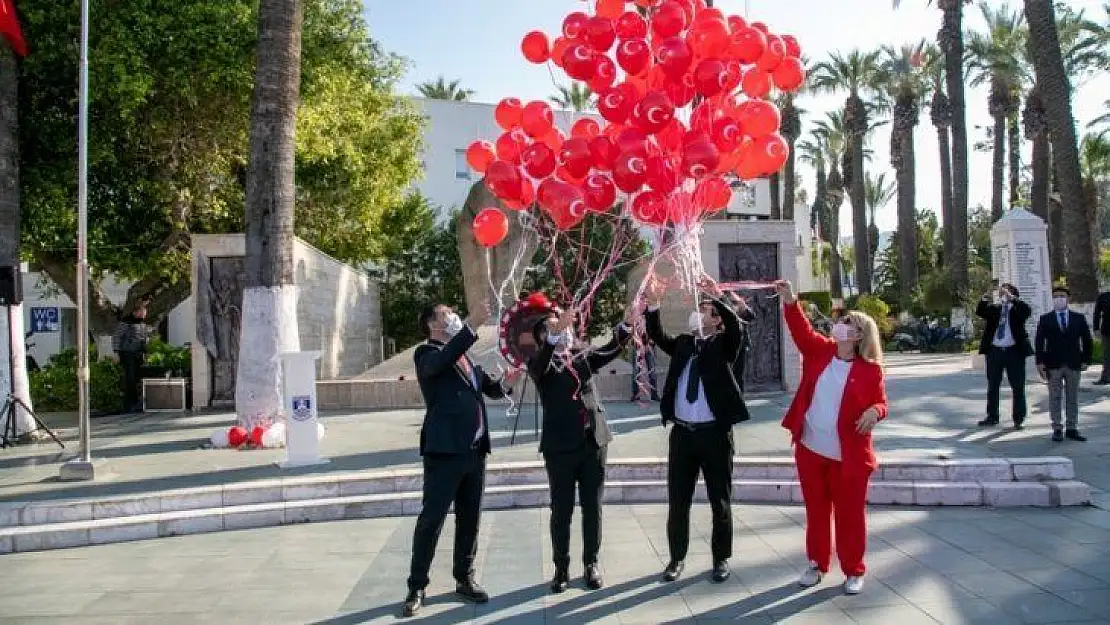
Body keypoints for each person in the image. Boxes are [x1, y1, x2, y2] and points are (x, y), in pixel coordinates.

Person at [403, 301, 519, 617]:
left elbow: (489, 388)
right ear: (431, 324)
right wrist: (471, 325)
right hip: (444, 451)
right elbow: (442, 361)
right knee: (432, 519)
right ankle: (416, 586)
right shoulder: (426, 355)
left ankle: (464, 578)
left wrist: (509, 380)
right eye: (445, 314)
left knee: (470, 518)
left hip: (474, 451)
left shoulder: (464, 357)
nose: (451, 316)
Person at [774, 280, 888, 596]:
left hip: (848, 456)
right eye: (841, 322)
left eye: (848, 324)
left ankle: (854, 570)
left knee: (850, 516)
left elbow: (881, 402)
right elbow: (801, 331)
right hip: (811, 448)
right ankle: (816, 564)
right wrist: (789, 301)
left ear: (860, 336)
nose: (840, 326)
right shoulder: (821, 352)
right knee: (817, 511)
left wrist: (875, 412)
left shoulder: (870, 371)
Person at [644, 276, 748, 584]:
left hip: (714, 435)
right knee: (678, 501)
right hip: (683, 436)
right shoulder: (685, 345)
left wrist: (717, 298)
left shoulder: (725, 346)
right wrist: (653, 304)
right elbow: (657, 334)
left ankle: (720, 559)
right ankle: (676, 558)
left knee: (720, 501)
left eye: (707, 312)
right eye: (700, 309)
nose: (700, 314)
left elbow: (736, 328)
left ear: (717, 322)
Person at [529, 306, 631, 593]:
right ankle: (561, 567)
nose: (564, 331)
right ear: (543, 337)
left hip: (593, 442)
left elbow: (610, 349)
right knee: (561, 510)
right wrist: (554, 335)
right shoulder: (539, 362)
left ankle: (591, 563)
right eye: (554, 328)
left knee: (592, 507)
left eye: (564, 326)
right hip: (560, 448)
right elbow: (541, 367)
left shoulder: (581, 357)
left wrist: (626, 324)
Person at [1035, 286, 1093, 442]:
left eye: (1062, 296)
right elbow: (1039, 342)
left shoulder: (1078, 318)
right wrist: (1040, 362)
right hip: (1053, 364)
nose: (1058, 299)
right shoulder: (1045, 319)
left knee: (1072, 397)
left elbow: (1087, 340)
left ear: (1068, 298)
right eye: (1055, 297)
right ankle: (1057, 428)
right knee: (1055, 397)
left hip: (1074, 363)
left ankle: (1072, 427)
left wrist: (1086, 360)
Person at [975, 283, 1033, 429]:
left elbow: (1027, 311)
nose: (1003, 295)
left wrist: (1011, 298)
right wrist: (986, 296)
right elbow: (981, 311)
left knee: (1017, 386)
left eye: (1007, 292)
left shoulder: (1018, 309)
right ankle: (992, 416)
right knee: (993, 385)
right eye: (1002, 292)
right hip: (995, 351)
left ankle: (1018, 418)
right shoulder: (995, 309)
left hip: (1014, 351)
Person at [112, 301, 153, 413]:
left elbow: (144, 340)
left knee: (137, 378)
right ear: (136, 312)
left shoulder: (142, 324)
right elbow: (117, 337)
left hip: (138, 354)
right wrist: (116, 353)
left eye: (145, 313)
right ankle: (130, 404)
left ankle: (137, 402)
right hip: (127, 353)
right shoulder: (126, 322)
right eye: (142, 313)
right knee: (130, 378)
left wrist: (147, 353)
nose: (144, 315)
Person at [728, 292, 757, 393]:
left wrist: (742, 306)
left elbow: (751, 317)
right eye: (732, 301)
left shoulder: (742, 308)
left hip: (740, 345)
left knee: (738, 374)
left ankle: (740, 397)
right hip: (726, 344)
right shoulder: (722, 305)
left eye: (735, 300)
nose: (734, 303)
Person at [631, 337, 660, 402]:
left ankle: (654, 395)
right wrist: (636, 342)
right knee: (636, 372)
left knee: (652, 372)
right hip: (637, 348)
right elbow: (632, 335)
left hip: (649, 348)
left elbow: (655, 334)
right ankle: (635, 394)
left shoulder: (651, 326)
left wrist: (650, 343)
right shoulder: (635, 326)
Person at [1092, 289, 1110, 385]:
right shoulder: (1103, 297)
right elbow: (1097, 313)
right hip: (1107, 330)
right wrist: (1096, 328)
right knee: (1107, 355)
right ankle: (1105, 377)